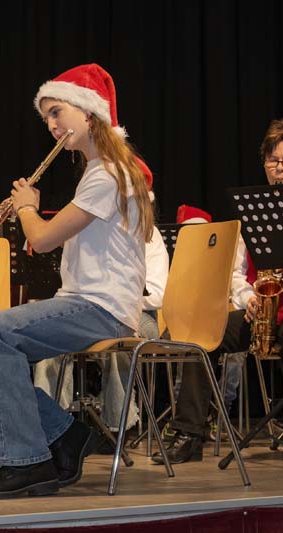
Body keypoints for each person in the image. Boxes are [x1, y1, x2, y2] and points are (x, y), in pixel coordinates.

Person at [0, 63, 154, 498]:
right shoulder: (98, 173)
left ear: (89, 113)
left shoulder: (109, 174)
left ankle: (27, 461)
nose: (52, 125)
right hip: (87, 303)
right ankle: (63, 435)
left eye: (57, 112)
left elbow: (42, 240)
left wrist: (26, 206)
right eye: (47, 117)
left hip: (102, 308)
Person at [152, 119, 283, 464]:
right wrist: (248, 299)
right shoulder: (255, 212)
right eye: (273, 161)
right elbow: (237, 274)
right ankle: (190, 433)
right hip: (264, 309)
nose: (279, 169)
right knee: (203, 335)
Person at [33, 166, 168, 435]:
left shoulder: (151, 236)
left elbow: (157, 293)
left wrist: (119, 296)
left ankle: (118, 425)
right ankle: (54, 428)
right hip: (94, 309)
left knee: (118, 337)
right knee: (51, 340)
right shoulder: (92, 232)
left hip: (141, 315)